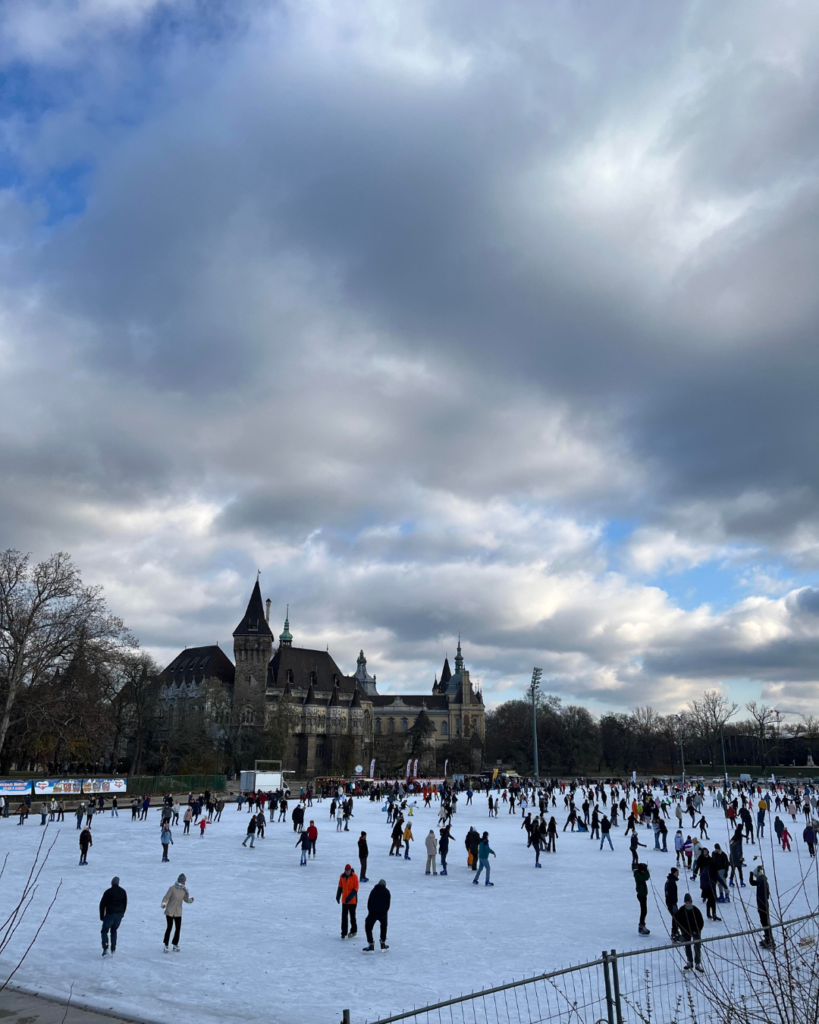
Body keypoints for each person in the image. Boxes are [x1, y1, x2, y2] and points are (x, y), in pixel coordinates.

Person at [161, 873, 193, 952]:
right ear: (180, 881)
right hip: (170, 911)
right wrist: (164, 903)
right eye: (183, 882)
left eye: (184, 882)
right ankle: (166, 944)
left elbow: (185, 899)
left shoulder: (183, 890)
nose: (184, 883)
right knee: (169, 927)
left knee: (178, 928)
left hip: (178, 912)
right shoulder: (172, 889)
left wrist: (190, 900)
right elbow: (166, 897)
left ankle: (175, 944)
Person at [674, 894, 704, 972]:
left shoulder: (696, 910)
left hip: (695, 932)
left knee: (697, 946)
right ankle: (689, 961)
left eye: (689, 902)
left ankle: (697, 963)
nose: (688, 904)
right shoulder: (681, 910)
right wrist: (682, 930)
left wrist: (697, 930)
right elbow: (677, 921)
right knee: (687, 946)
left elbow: (701, 922)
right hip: (686, 932)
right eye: (686, 903)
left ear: (691, 902)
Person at [99, 876, 127, 957]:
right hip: (119, 914)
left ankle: (105, 947)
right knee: (114, 930)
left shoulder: (108, 892)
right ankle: (113, 948)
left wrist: (101, 916)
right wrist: (122, 913)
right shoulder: (123, 891)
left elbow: (102, 904)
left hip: (110, 914)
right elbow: (125, 903)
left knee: (104, 931)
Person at [363, 879, 391, 952]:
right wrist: (385, 911)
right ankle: (383, 943)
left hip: (373, 912)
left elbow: (369, 902)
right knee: (383, 927)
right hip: (383, 913)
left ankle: (370, 944)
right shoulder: (387, 892)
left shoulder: (373, 891)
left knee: (368, 927)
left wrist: (370, 911)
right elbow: (388, 904)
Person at [749, 867, 774, 949]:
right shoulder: (760, 881)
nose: (755, 876)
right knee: (764, 922)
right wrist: (751, 875)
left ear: (758, 874)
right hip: (761, 905)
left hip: (763, 905)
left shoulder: (762, 882)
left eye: (755, 875)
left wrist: (762, 905)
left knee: (765, 922)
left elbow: (765, 894)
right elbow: (752, 883)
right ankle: (767, 938)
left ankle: (770, 940)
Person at [336, 864, 359, 939]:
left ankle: (353, 930)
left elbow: (356, 889)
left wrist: (349, 898)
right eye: (346, 870)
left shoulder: (354, 877)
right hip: (344, 901)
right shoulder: (342, 876)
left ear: (350, 870)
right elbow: (340, 886)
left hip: (352, 901)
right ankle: (344, 932)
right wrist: (338, 896)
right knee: (344, 917)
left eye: (348, 870)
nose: (347, 872)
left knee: (352, 916)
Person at [634, 862, 650, 935]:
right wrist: (646, 872)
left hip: (643, 894)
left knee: (644, 911)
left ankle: (642, 925)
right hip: (641, 894)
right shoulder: (638, 875)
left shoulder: (639, 874)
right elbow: (646, 877)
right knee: (643, 911)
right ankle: (641, 926)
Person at [665, 867, 680, 941]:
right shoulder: (671, 882)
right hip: (672, 903)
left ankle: (675, 932)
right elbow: (671, 894)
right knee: (675, 917)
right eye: (677, 873)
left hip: (671, 902)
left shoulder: (670, 881)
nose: (678, 874)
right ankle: (675, 933)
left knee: (675, 917)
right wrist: (673, 902)